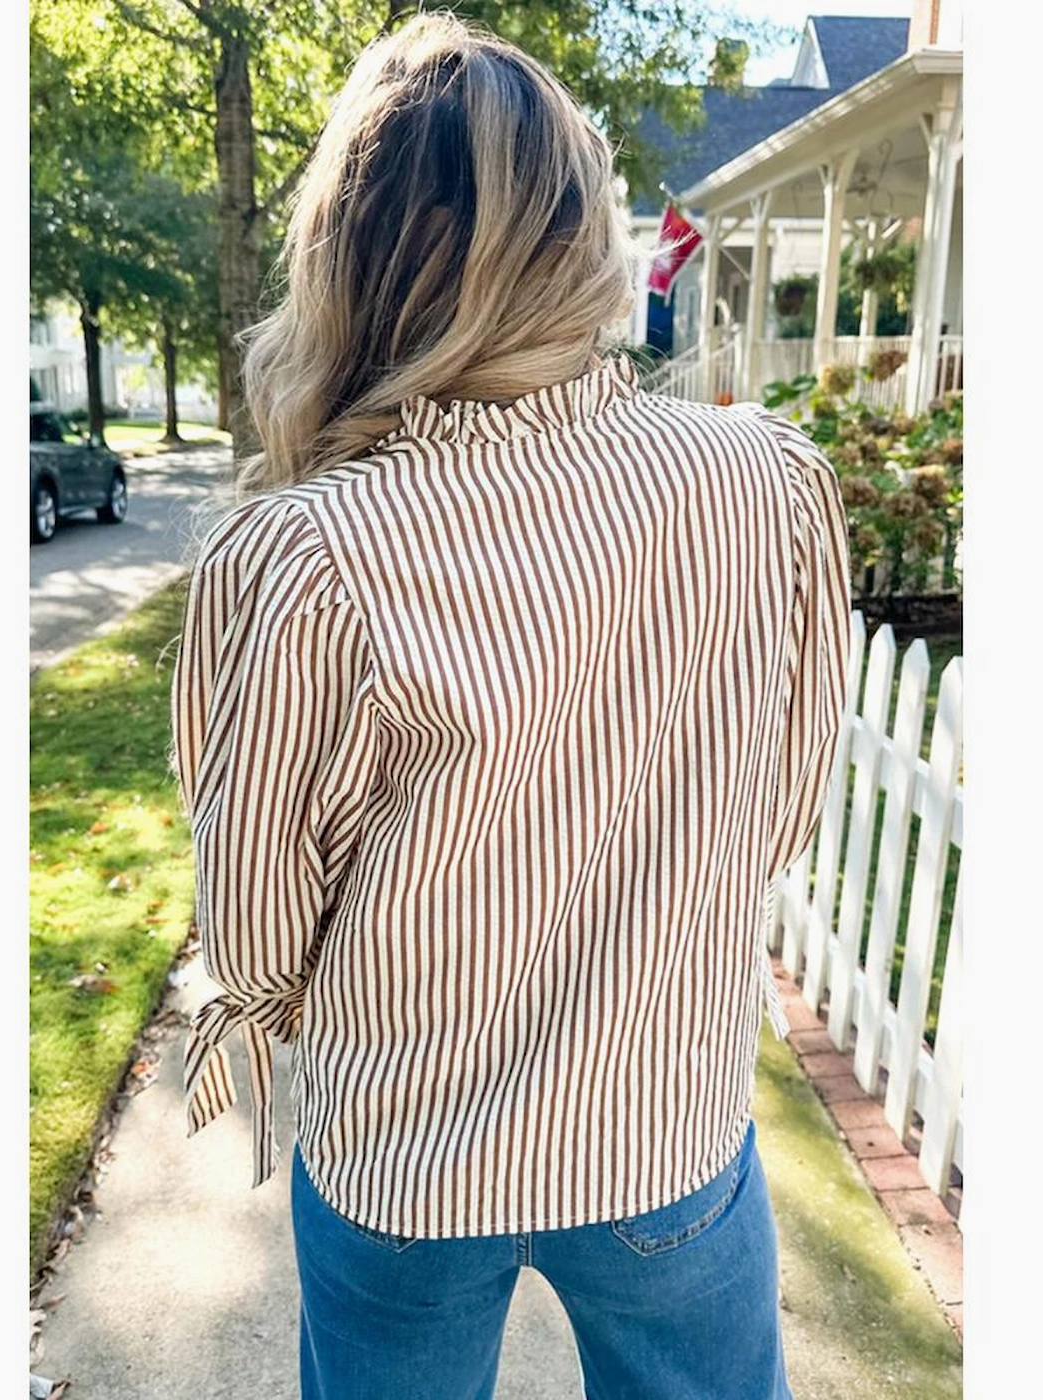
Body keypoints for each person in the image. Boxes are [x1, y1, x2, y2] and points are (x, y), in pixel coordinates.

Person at [169, 13, 851, 1399]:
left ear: (350, 259)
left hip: (403, 1156)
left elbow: (254, 928)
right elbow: (781, 801)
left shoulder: (308, 553)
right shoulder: (759, 483)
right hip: (664, 1121)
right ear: (580, 235)